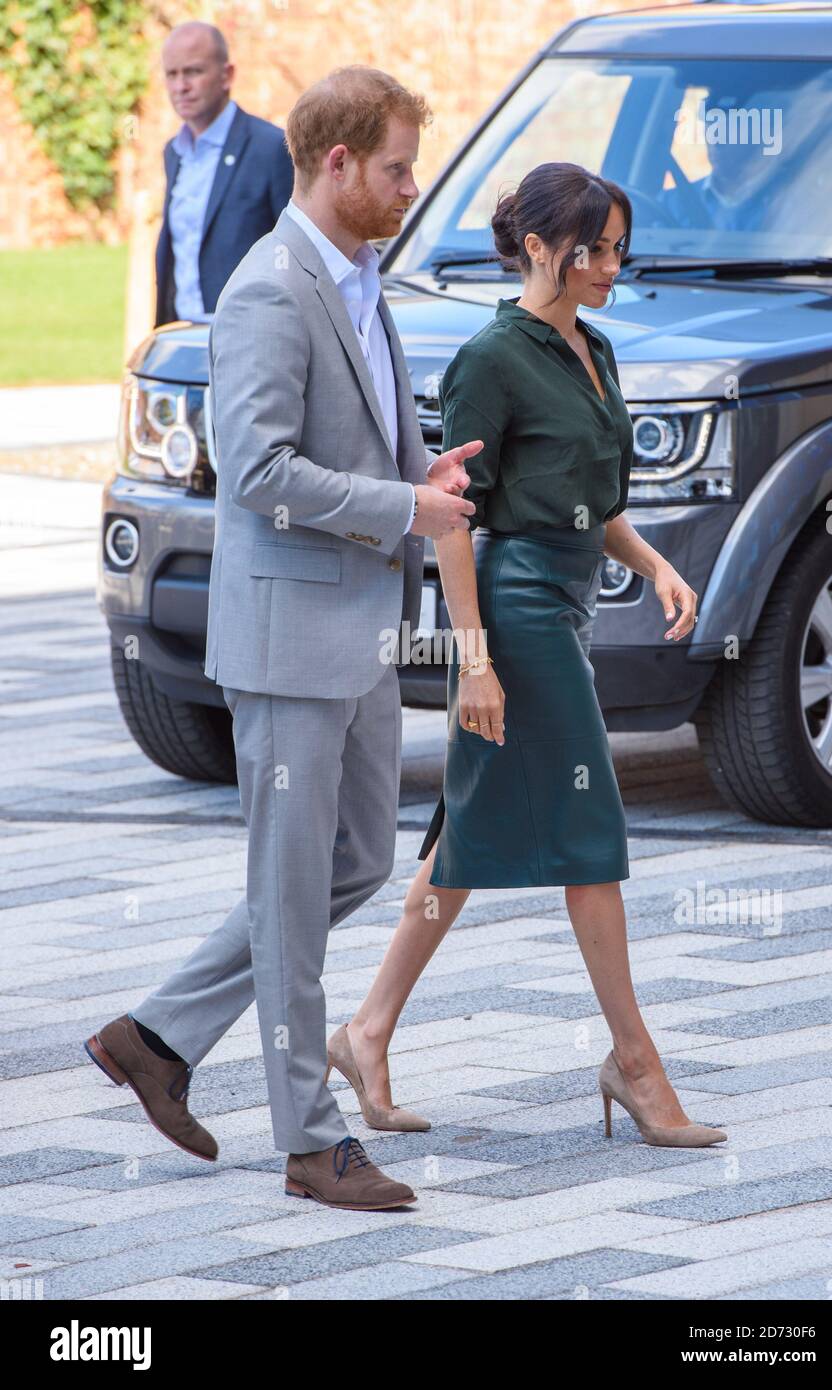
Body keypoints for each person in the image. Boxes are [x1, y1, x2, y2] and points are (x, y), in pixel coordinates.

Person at [85, 65, 482, 1211]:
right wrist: (403, 509)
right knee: (295, 879)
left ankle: (156, 1036)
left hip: (356, 630)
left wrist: (423, 472)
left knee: (352, 859)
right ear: (340, 162)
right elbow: (254, 473)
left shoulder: (360, 278)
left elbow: (361, 437)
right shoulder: (266, 288)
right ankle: (311, 1140)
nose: (413, 186)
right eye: (400, 167)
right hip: (287, 635)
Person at [325, 163, 729, 1151]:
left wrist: (653, 566)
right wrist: (474, 663)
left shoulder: (592, 346)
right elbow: (452, 516)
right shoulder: (490, 359)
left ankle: (364, 1030)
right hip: (514, 612)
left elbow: (589, 492)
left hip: (570, 598)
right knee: (590, 830)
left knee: (467, 824)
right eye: (594, 248)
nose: (610, 266)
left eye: (619, 247)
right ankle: (632, 1062)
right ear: (541, 248)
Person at [155, 21, 295, 326]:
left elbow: (296, 254)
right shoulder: (173, 153)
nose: (181, 86)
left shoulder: (270, 148)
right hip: (185, 333)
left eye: (193, 72)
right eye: (172, 74)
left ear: (227, 75)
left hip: (251, 334)